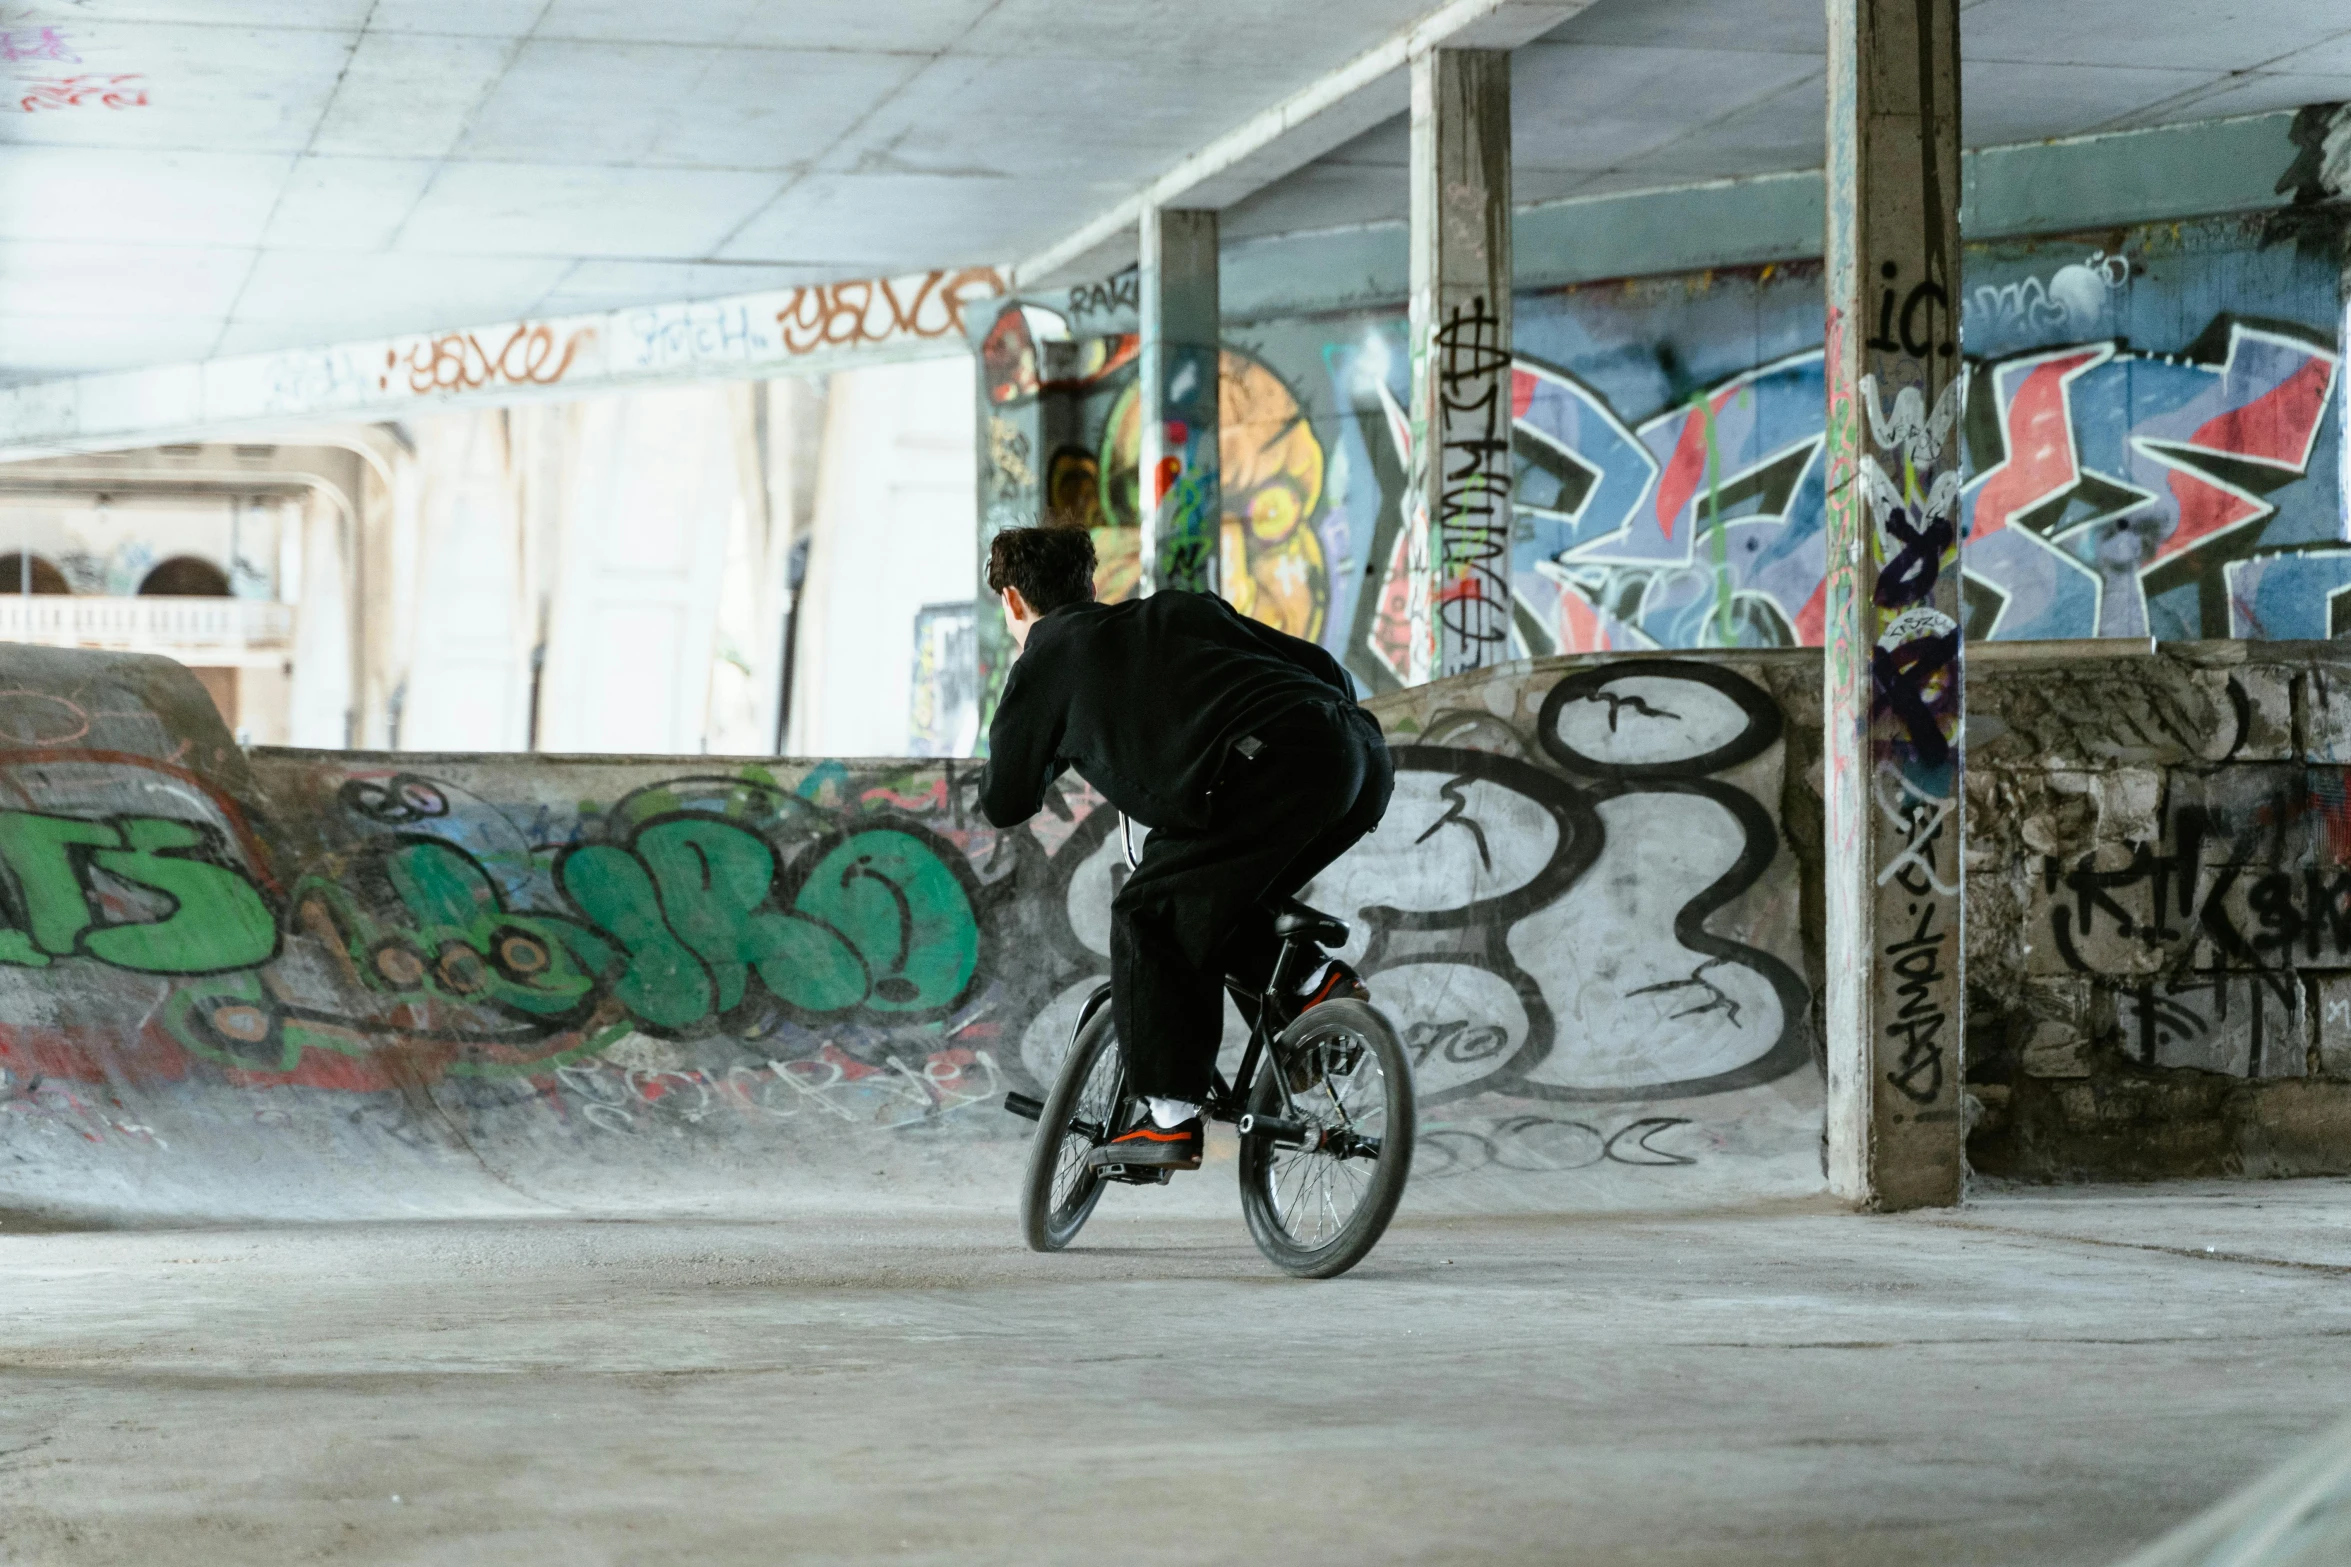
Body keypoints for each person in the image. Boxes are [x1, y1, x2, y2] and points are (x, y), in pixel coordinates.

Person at [977, 524, 1393, 1172]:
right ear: (1090, 584)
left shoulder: (1047, 652)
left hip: (1266, 770)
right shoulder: (1176, 610)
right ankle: (1312, 982)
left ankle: (1168, 1116)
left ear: (1011, 600)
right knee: (1211, 898)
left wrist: (1049, 742)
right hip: (1358, 761)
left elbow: (1004, 800)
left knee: (1151, 914)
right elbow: (1329, 671)